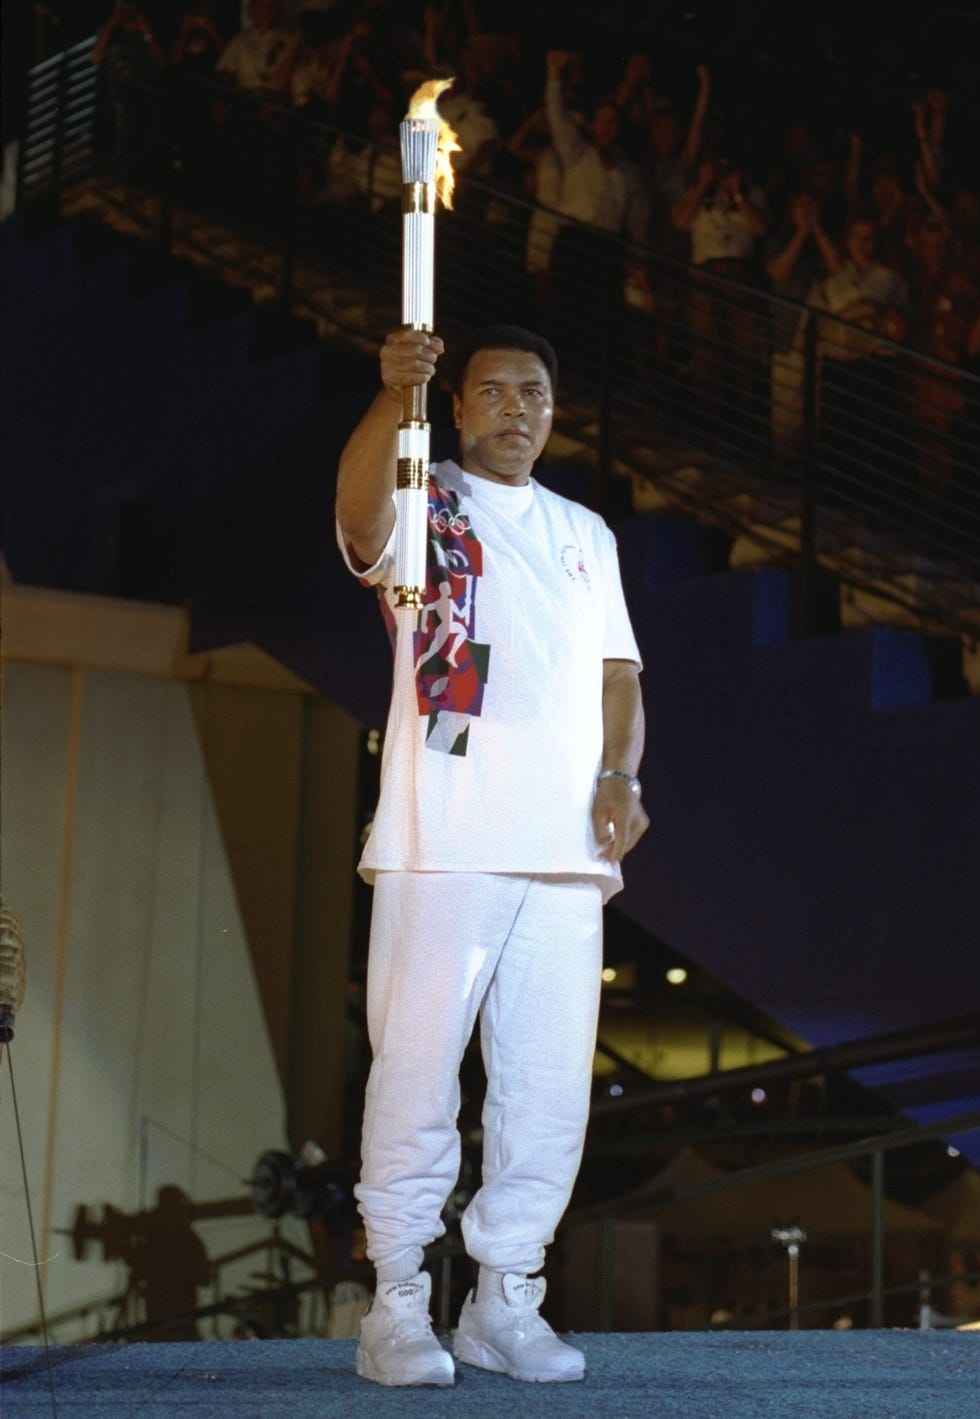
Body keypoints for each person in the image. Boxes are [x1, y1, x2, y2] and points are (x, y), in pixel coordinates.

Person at [334, 324, 647, 1387]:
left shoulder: (584, 531)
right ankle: (397, 1307)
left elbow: (618, 678)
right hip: (445, 837)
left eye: (534, 391)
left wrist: (621, 777)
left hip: (563, 849)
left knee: (546, 1091)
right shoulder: (431, 501)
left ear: (554, 411)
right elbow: (358, 518)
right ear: (459, 410)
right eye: (492, 391)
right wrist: (391, 402)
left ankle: (504, 1301)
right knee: (417, 1075)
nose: (516, 406)